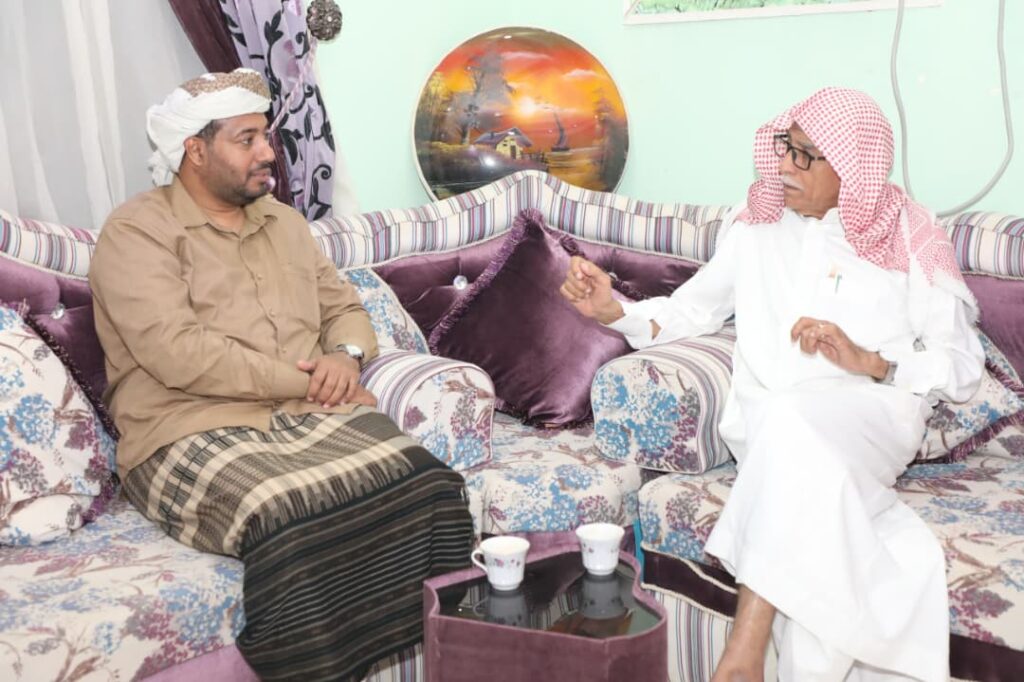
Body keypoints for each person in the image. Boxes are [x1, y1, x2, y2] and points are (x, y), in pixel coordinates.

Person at [561, 87, 984, 681]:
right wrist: (614, 311)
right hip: (766, 430)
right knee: (794, 446)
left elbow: (961, 366)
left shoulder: (908, 231)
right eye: (786, 147)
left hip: (873, 417)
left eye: (806, 155)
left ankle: (744, 651)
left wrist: (871, 360)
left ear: (852, 167)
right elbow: (691, 312)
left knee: (791, 421)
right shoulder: (756, 222)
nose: (785, 165)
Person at [89, 68, 474, 682]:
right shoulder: (136, 232)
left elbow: (345, 310)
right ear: (194, 150)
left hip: (311, 413)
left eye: (265, 136)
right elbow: (177, 353)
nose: (268, 152)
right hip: (185, 427)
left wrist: (345, 358)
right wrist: (310, 381)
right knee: (290, 516)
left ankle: (449, 661)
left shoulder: (285, 224)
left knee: (432, 487)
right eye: (246, 139)